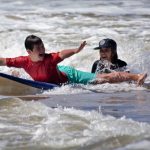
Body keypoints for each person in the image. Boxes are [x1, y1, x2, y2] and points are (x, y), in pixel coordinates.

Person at [0, 35, 147, 86]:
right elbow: (4, 60)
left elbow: (62, 54)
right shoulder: (22, 61)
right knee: (13, 71)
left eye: (42, 46)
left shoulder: (49, 59)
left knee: (104, 78)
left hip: (69, 76)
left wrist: (76, 51)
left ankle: (137, 77)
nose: (42, 50)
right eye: (38, 49)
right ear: (29, 52)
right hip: (51, 76)